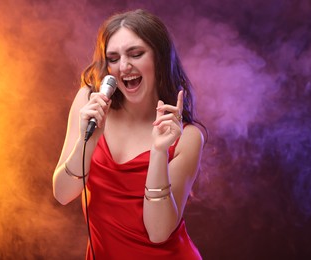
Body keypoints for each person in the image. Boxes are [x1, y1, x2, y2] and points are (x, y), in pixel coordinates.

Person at [53, 9, 205, 260]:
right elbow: (62, 194)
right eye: (113, 58)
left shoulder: (187, 137)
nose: (124, 66)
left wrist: (158, 152)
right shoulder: (88, 102)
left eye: (136, 54)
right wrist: (87, 140)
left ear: (159, 58)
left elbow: (158, 232)